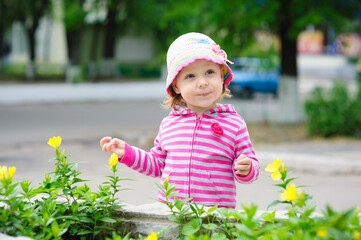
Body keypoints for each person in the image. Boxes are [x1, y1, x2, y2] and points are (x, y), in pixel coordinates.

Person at [100, 32, 259, 208]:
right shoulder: (170, 125)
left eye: (209, 72)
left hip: (215, 218)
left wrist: (247, 168)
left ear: (221, 77)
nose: (202, 82)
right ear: (176, 85)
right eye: (190, 76)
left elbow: (252, 167)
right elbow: (156, 165)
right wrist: (126, 152)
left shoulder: (234, 124)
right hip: (172, 214)